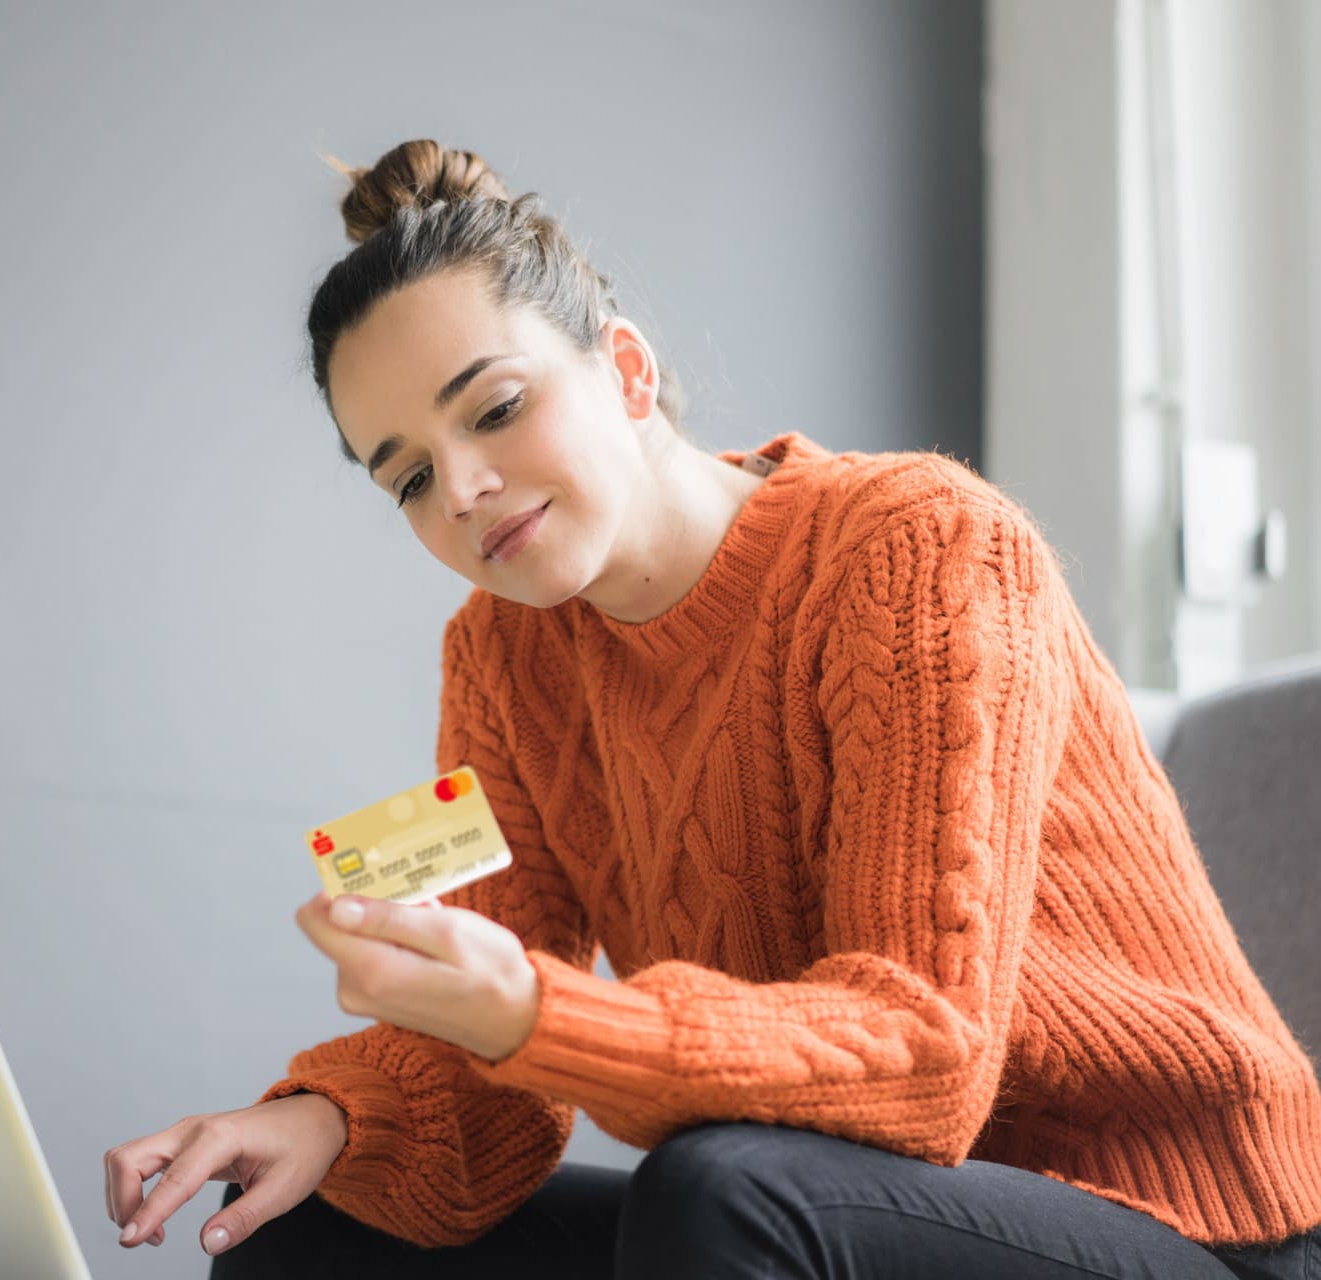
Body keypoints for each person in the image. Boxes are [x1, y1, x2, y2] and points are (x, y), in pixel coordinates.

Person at [100, 139, 1321, 1278]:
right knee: (302, 1229)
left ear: (625, 369)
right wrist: (328, 1111)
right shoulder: (500, 658)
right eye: (410, 475)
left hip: (1182, 1212)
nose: (463, 487)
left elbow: (931, 1056)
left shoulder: (917, 546)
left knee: (720, 1192)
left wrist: (532, 1005)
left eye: (495, 408)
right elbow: (497, 1089)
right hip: (851, 1192)